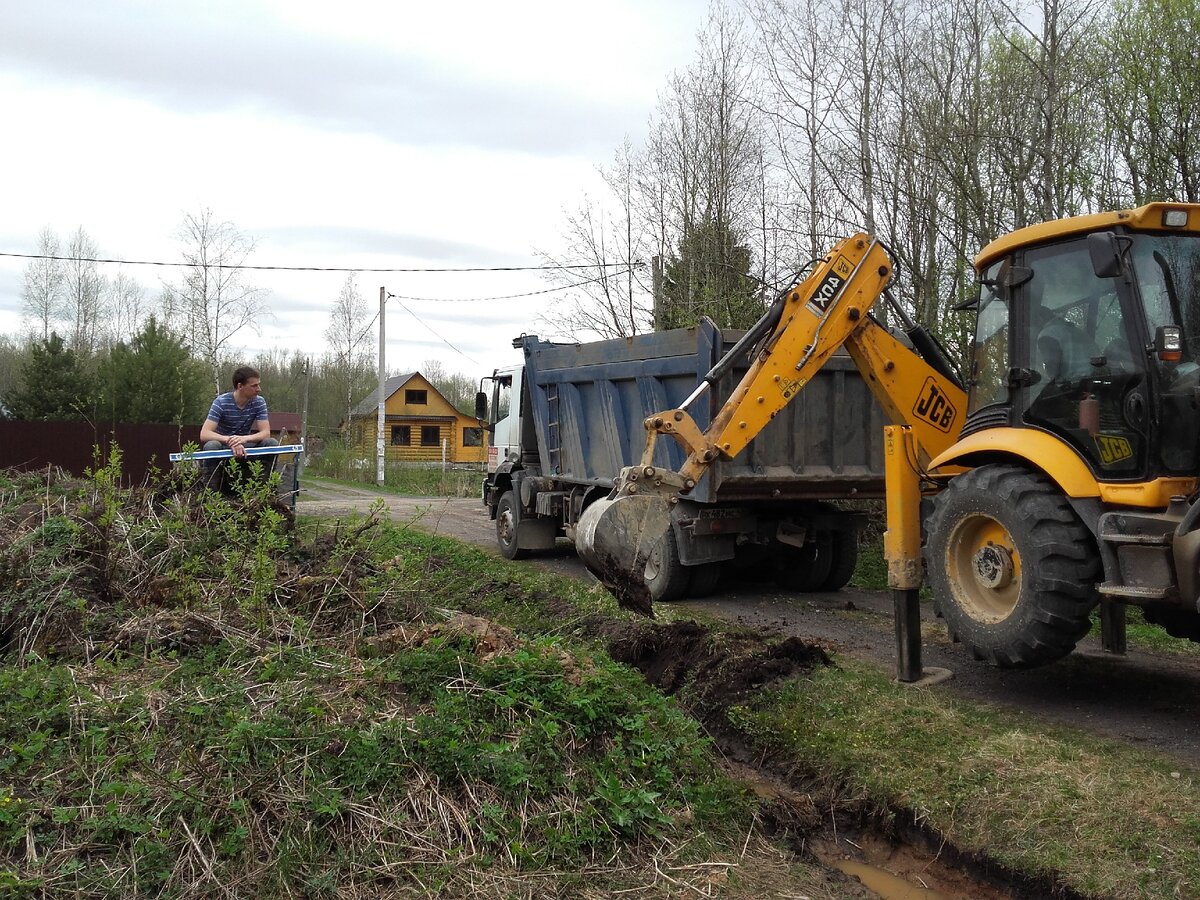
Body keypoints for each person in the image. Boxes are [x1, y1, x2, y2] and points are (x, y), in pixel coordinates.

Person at [199, 366, 279, 490]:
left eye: (259, 385)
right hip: (224, 446)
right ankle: (210, 492)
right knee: (211, 446)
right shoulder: (221, 402)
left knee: (271, 443)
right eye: (254, 386)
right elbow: (205, 433)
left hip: (246, 446)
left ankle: (263, 490)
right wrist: (230, 440)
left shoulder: (259, 402)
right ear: (240, 386)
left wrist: (243, 439)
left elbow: (265, 433)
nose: (259, 389)